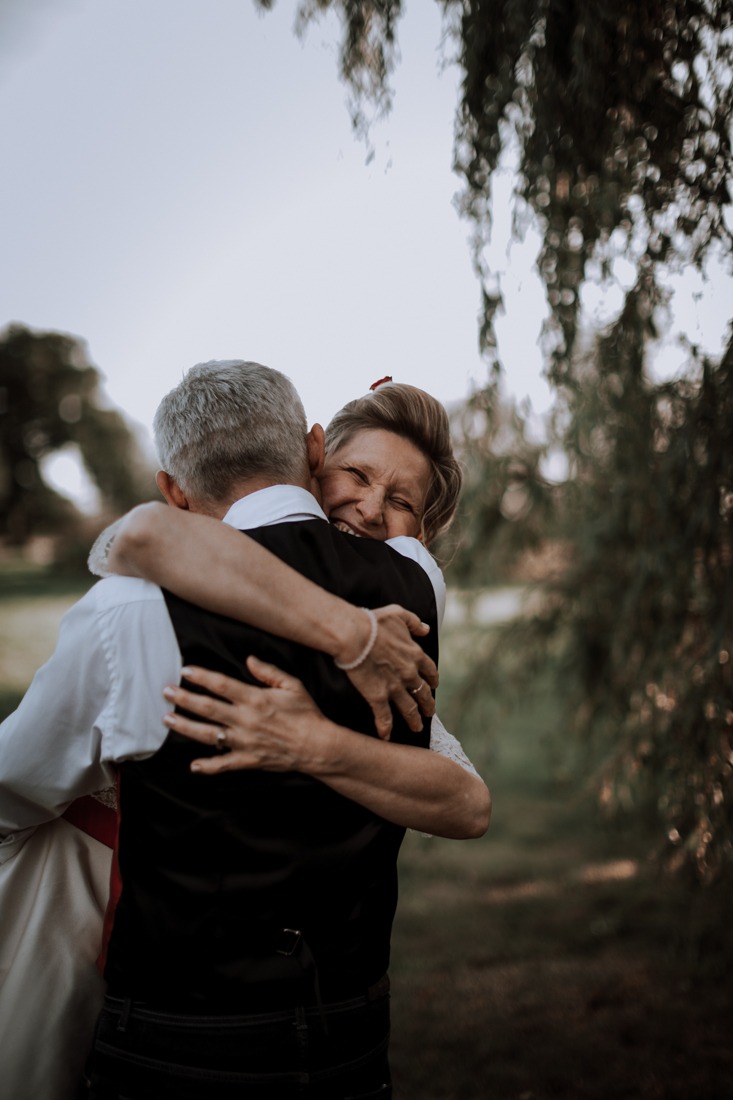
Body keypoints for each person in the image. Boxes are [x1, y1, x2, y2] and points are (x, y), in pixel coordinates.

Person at [0, 362, 487, 1100]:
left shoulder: (130, 608)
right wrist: (350, 632)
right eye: (356, 475)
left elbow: (14, 787)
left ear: (172, 487)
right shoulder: (415, 590)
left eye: (398, 500)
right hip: (347, 1024)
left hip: (180, 1033)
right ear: (313, 453)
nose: (366, 507)